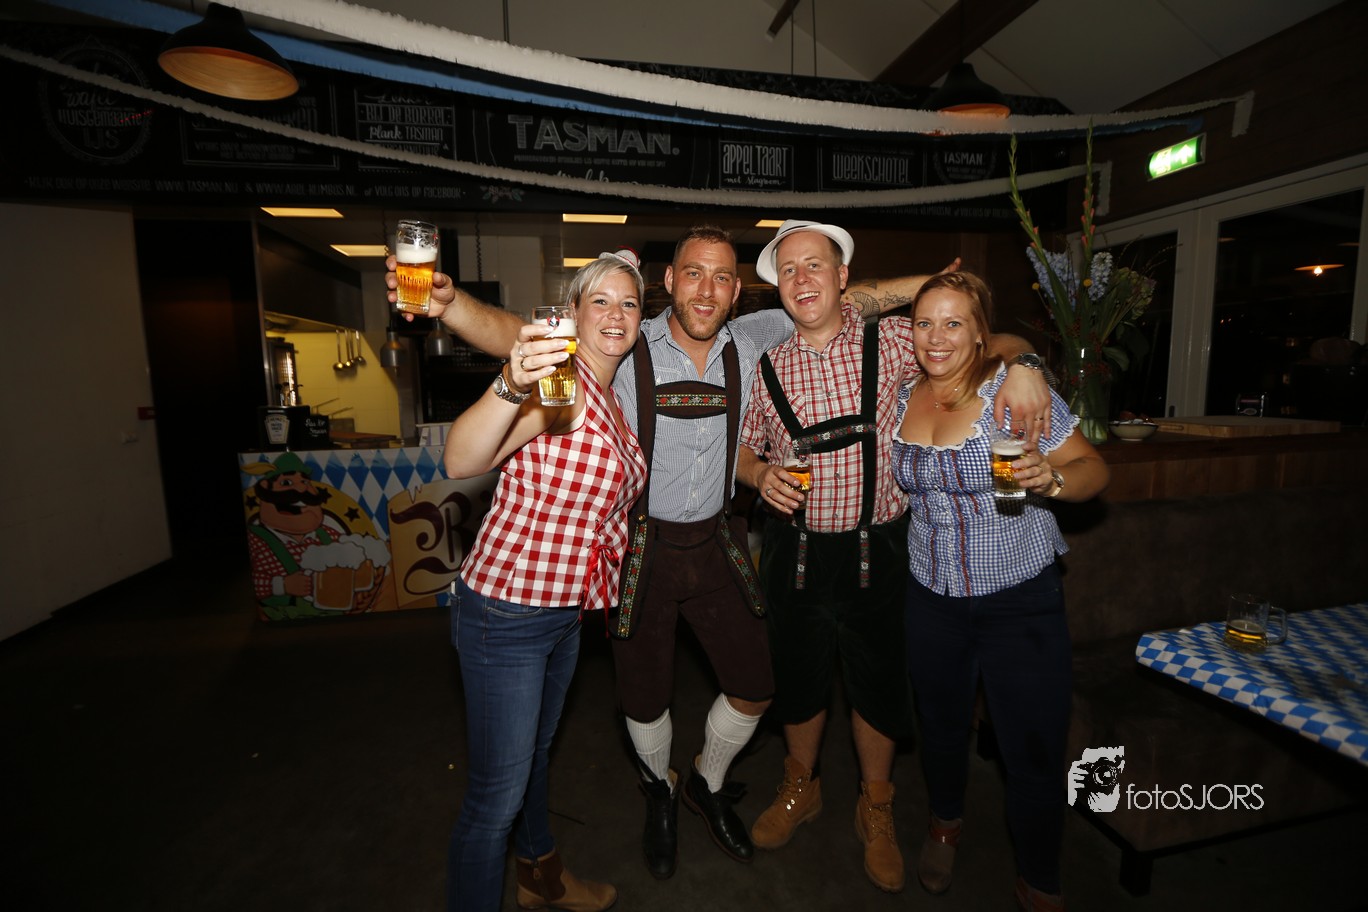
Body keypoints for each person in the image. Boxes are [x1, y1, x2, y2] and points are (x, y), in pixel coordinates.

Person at [387, 227, 1043, 885]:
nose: (707, 290)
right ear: (668, 283)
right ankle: (660, 792)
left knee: (759, 680)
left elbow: (851, 297)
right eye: (693, 274)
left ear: (738, 292)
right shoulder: (622, 341)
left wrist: (939, 293)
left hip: (719, 538)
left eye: (723, 276)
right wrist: (450, 305)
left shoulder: (757, 336)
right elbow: (521, 337)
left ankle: (706, 779)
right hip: (639, 545)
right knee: (642, 696)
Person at [735, 221, 1050, 895]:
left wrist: (1025, 365)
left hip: (878, 549)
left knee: (878, 683)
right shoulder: (766, 366)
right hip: (793, 549)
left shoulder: (897, 339)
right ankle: (801, 786)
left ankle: (876, 806)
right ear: (778, 288)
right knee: (799, 677)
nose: (802, 279)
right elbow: (744, 447)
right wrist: (756, 473)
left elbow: (988, 343)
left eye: (814, 265)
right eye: (788, 270)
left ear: (843, 277)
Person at [890, 271, 1108, 912]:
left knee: (1032, 744)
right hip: (930, 595)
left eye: (953, 323)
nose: (936, 337)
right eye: (924, 322)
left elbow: (1093, 467)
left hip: (1019, 599)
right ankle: (945, 824)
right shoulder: (900, 394)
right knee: (940, 727)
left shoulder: (1012, 396)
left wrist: (1052, 481)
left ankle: (1040, 878)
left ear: (980, 333)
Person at [441, 250, 648, 912]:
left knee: (533, 759)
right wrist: (509, 380)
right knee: (493, 801)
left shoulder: (610, 396)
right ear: (574, 313)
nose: (615, 314)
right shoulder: (560, 380)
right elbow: (461, 460)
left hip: (563, 614)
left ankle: (540, 878)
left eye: (629, 303)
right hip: (505, 613)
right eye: (600, 301)